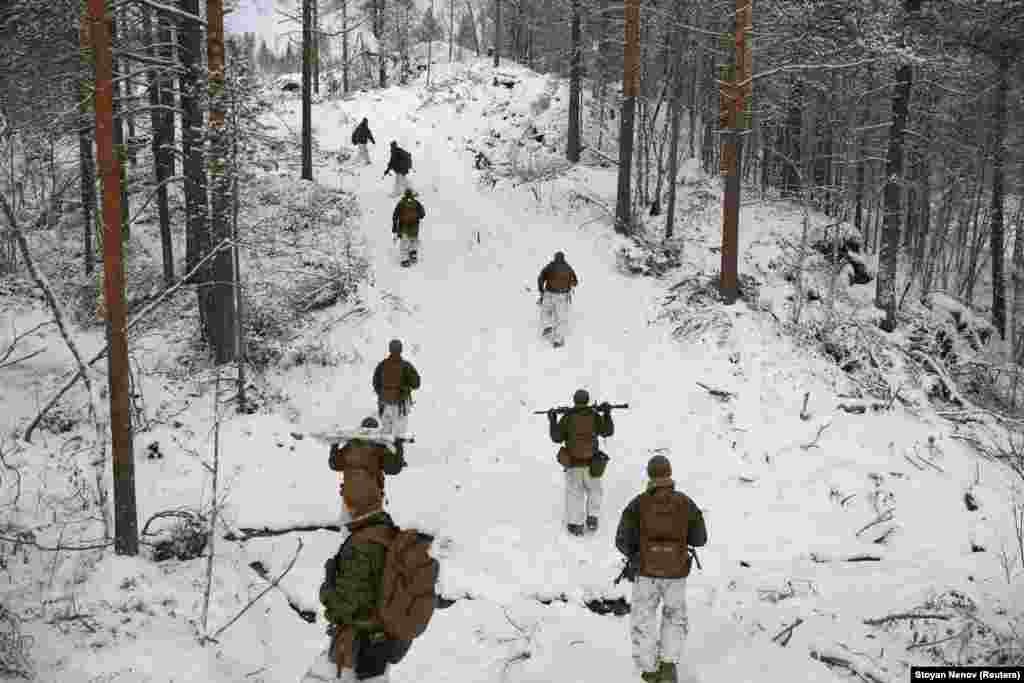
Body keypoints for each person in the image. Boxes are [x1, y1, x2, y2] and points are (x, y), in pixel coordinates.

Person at [614, 455, 708, 683]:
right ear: (669, 473)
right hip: (676, 573)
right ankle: (668, 666)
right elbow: (700, 538)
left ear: (649, 474)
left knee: (643, 618)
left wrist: (637, 553)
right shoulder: (685, 503)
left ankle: (649, 670)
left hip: (646, 573)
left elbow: (621, 540)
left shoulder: (638, 503)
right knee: (674, 616)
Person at [303, 466, 401, 682]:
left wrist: (326, 591)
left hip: (357, 643)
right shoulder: (385, 531)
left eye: (347, 498)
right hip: (379, 639)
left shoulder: (363, 544)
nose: (344, 503)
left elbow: (348, 602)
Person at [548, 389, 614, 536]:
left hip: (573, 464)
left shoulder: (567, 417)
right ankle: (592, 517)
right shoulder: (594, 416)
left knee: (575, 494)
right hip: (593, 464)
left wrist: (552, 420)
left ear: (574, 400)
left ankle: (577, 525)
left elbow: (557, 437)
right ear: (587, 400)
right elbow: (607, 431)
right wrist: (607, 414)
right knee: (595, 491)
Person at [328, 416, 405, 524]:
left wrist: (334, 445)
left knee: (347, 531)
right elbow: (394, 469)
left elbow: (334, 465)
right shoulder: (379, 447)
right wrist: (399, 446)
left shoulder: (351, 445)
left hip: (349, 496)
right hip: (371, 498)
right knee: (371, 530)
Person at [372, 340, 421, 457]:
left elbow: (375, 383)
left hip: (384, 404)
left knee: (385, 431)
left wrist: (383, 394)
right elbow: (416, 383)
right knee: (399, 433)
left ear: (390, 349)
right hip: (401, 405)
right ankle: (397, 459)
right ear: (401, 350)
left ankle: (383, 457)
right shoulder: (406, 366)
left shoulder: (382, 365)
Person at [537, 251, 578, 348]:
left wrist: (541, 291)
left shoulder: (550, 266)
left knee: (546, 311)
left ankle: (547, 327)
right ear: (563, 258)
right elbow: (575, 282)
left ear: (555, 258)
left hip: (549, 293)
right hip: (561, 296)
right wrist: (569, 283)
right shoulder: (568, 268)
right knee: (561, 318)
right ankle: (558, 340)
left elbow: (540, 278)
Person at [392, 189, 426, 267]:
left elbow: (395, 215)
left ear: (405, 194)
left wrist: (394, 227)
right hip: (414, 226)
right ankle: (413, 254)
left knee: (404, 242)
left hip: (403, 226)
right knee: (413, 240)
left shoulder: (401, 203)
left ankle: (404, 260)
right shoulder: (416, 203)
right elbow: (422, 214)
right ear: (412, 195)